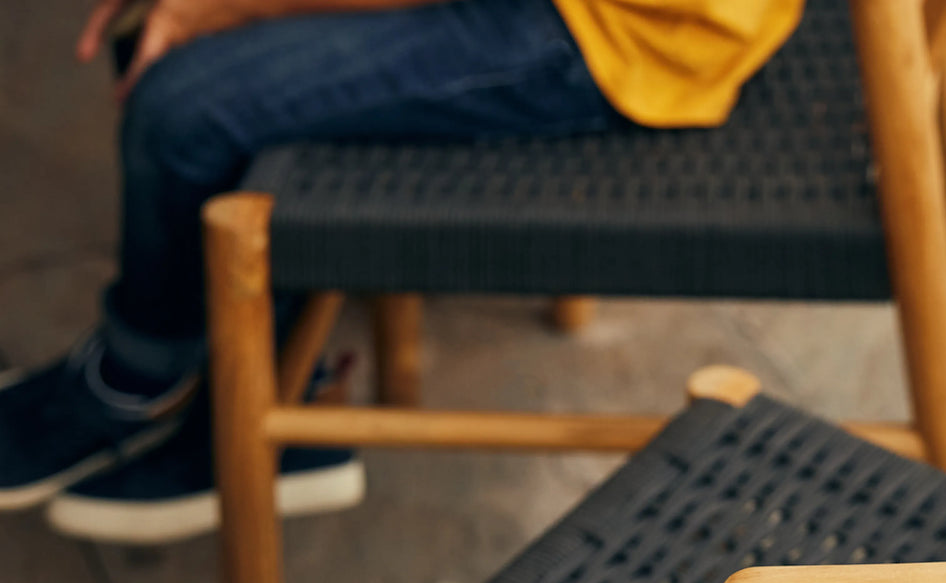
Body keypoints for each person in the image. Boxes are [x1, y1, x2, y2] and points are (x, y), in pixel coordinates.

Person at [0, 0, 802, 542]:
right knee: (164, 34)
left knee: (184, 105)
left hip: (624, 32)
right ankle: (261, 368)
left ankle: (160, 384)